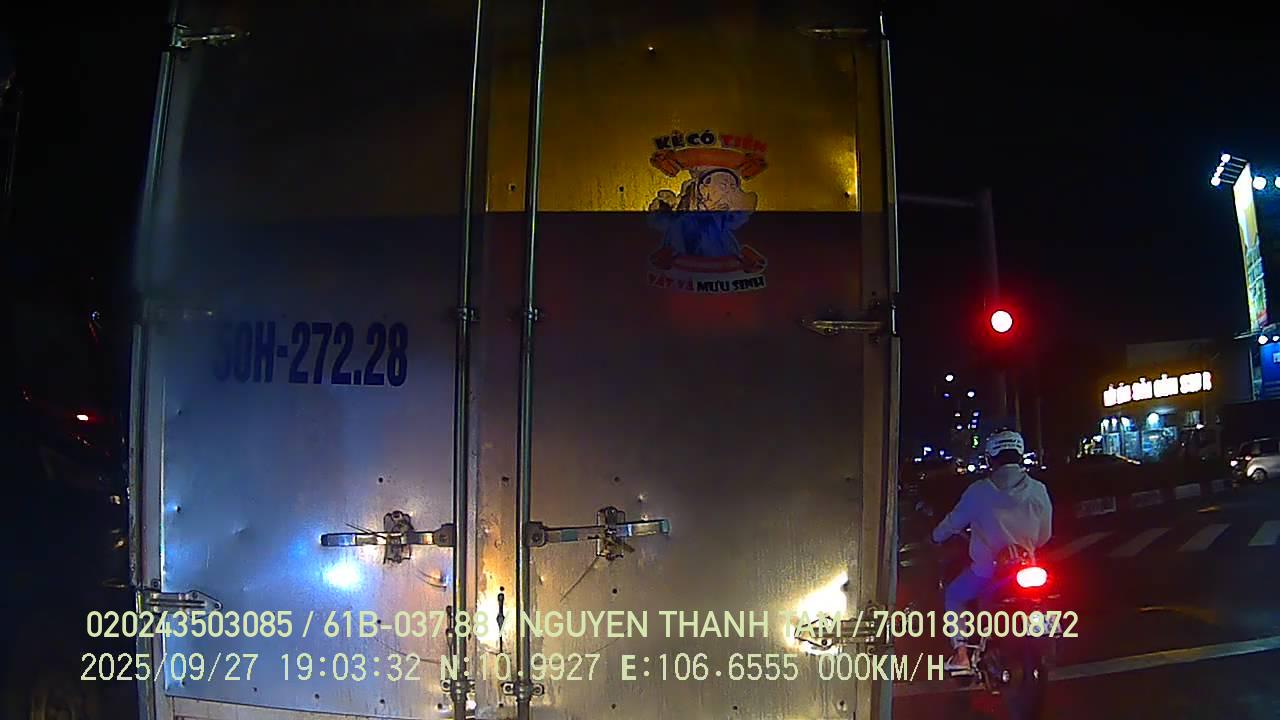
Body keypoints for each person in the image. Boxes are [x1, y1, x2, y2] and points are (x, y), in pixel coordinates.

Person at [931, 429, 1053, 671]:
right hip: (1028, 568)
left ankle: (961, 655)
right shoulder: (1038, 489)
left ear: (991, 458)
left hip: (987, 571)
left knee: (954, 595)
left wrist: (935, 536)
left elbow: (952, 523)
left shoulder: (979, 491)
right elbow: (1044, 535)